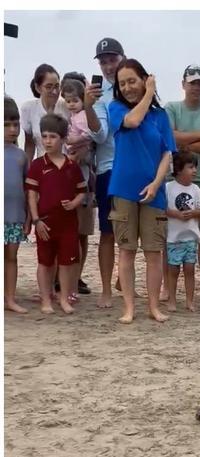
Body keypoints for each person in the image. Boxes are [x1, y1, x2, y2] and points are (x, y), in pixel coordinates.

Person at [107, 58, 176, 324]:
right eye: (122, 83)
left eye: (132, 81)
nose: (127, 87)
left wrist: (157, 183)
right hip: (123, 190)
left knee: (153, 253)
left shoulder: (160, 116)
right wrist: (149, 92)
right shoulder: (115, 109)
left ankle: (154, 307)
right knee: (126, 251)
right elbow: (133, 121)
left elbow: (167, 154)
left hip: (154, 192)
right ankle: (128, 308)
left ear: (143, 79)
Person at [164, 64, 200, 301]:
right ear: (183, 84)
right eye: (192, 82)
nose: (196, 87)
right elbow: (169, 138)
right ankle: (167, 287)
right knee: (168, 234)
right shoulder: (171, 107)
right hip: (172, 177)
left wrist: (183, 142)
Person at [25, 114, 87, 315]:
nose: (48, 141)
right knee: (45, 262)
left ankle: (64, 298)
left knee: (67, 263)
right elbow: (32, 196)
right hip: (45, 222)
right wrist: (36, 221)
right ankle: (45, 299)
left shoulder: (71, 166)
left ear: (62, 138)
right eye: (44, 136)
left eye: (52, 136)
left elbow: (82, 192)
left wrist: (74, 204)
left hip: (68, 223)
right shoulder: (37, 165)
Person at [86, 37, 126, 308]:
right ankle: (106, 290)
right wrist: (88, 106)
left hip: (137, 166)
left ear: (122, 58)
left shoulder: (136, 84)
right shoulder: (99, 96)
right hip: (109, 167)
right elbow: (99, 136)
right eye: (103, 61)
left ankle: (124, 278)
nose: (108, 65)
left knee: (132, 231)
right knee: (109, 232)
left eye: (112, 59)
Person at [60, 76, 97, 296]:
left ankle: (74, 280)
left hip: (81, 169)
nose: (72, 104)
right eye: (68, 100)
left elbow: (85, 137)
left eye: (75, 100)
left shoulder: (82, 117)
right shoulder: (72, 116)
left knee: (79, 232)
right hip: (73, 167)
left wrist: (71, 143)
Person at [164, 151, 200, 312]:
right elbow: (163, 208)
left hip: (191, 237)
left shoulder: (196, 189)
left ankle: (189, 300)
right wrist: (176, 214)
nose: (194, 170)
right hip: (174, 238)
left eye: (195, 167)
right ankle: (172, 300)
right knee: (173, 270)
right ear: (179, 169)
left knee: (190, 269)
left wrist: (193, 213)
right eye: (190, 167)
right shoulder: (168, 187)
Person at [4, 97, 31, 314]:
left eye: (16, 124)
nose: (13, 130)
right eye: (6, 125)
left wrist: (29, 217)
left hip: (15, 216)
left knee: (11, 257)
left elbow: (27, 188)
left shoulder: (21, 156)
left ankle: (10, 298)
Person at [21, 64, 68, 162]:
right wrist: (28, 171)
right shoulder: (29, 108)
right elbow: (29, 145)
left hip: (68, 166)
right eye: (49, 87)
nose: (54, 92)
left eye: (57, 86)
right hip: (43, 168)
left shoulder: (67, 106)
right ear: (38, 88)